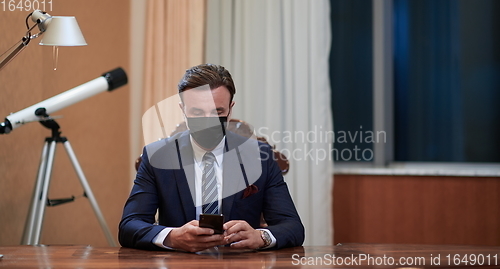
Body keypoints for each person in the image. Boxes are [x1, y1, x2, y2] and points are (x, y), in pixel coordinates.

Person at [119, 64, 304, 252]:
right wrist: (172, 237)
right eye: (197, 113)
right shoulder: (157, 156)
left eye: (218, 112)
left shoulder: (260, 156)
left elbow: (293, 227)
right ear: (183, 109)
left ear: (230, 109)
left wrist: (260, 237)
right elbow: (129, 225)